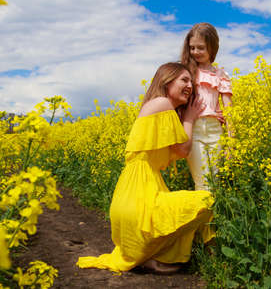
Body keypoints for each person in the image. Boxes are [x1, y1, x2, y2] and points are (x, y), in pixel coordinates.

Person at [77, 62, 215, 274]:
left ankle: (146, 257)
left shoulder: (156, 107)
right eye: (184, 80)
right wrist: (189, 118)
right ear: (166, 81)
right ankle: (160, 256)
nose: (190, 86)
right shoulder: (162, 103)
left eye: (191, 81)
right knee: (206, 200)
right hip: (140, 200)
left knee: (179, 214)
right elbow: (182, 150)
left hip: (128, 197)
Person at [181, 22, 232, 191]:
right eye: (192, 48)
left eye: (200, 48)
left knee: (214, 182)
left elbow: (229, 110)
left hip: (215, 130)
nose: (195, 52)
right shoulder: (185, 71)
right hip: (193, 129)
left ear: (212, 47)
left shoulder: (221, 75)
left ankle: (210, 217)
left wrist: (231, 142)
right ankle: (204, 218)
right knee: (202, 182)